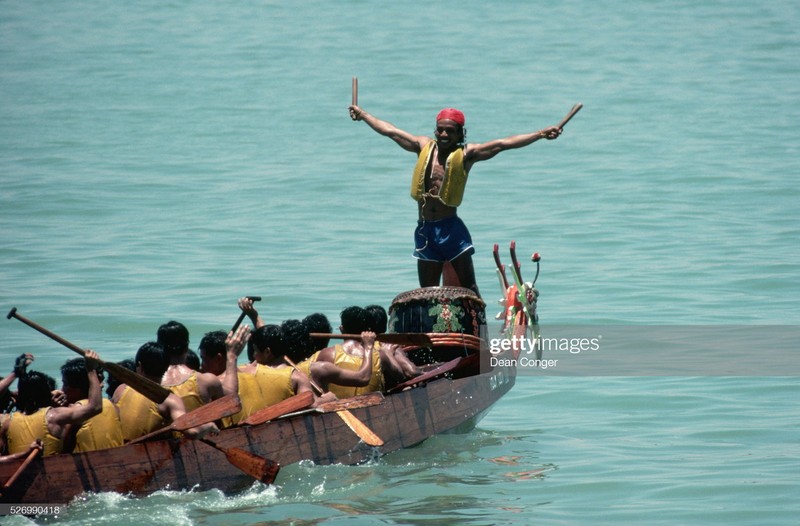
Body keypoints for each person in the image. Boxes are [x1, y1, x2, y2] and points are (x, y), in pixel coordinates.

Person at [349, 105, 563, 297]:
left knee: (469, 287)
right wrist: (364, 115)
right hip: (425, 230)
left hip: (451, 230)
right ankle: (432, 336)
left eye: (450, 131)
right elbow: (391, 131)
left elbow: (503, 144)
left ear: (460, 133)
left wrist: (542, 134)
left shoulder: (467, 154)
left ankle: (480, 334)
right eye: (440, 129)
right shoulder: (423, 147)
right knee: (427, 292)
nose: (443, 134)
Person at [0, 351, 103, 456]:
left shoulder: (6, 422)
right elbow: (95, 407)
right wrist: (91, 369)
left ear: (19, 396)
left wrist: (15, 373)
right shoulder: (56, 416)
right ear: (47, 395)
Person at [113, 342, 218, 442]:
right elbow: (192, 432)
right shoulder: (169, 399)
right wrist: (209, 425)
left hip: (120, 451)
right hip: (152, 455)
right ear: (166, 367)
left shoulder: (121, 389)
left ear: (139, 365)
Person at [158, 321, 248, 412]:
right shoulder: (206, 380)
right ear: (186, 347)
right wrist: (232, 356)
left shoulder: (151, 379)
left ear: (159, 347)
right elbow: (231, 399)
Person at [306, 306, 383, 398]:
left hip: (338, 408)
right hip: (373, 405)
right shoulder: (381, 353)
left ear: (342, 329)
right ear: (368, 330)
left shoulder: (327, 354)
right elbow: (400, 375)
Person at [60, 356, 124, 453]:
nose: (62, 390)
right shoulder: (111, 405)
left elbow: (60, 447)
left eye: (65, 384)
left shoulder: (74, 413)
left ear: (79, 388)